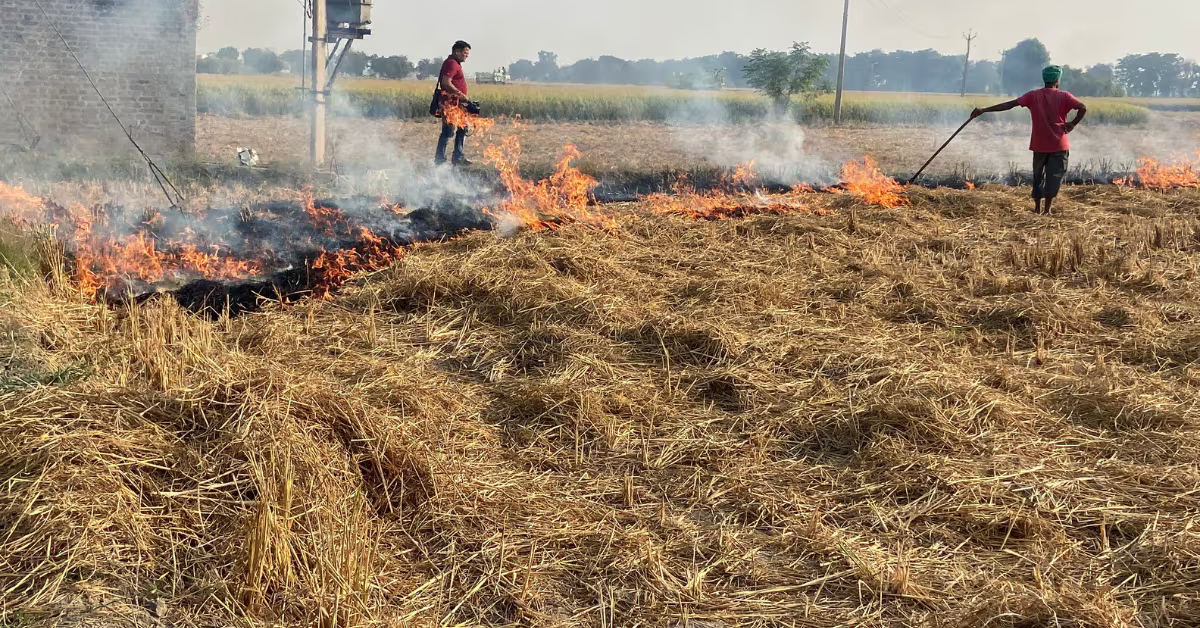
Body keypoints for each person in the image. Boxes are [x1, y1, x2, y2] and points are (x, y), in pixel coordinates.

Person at [971, 65, 1087, 215]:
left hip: (1039, 144)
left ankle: (1037, 208)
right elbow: (1082, 108)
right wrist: (1072, 124)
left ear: (1044, 79)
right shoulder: (1064, 96)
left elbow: (1009, 105)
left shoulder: (1033, 95)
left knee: (1038, 177)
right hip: (1059, 144)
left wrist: (984, 110)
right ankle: (1047, 210)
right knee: (1054, 177)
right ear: (1057, 80)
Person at [435, 40, 472, 166]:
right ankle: (440, 159)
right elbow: (446, 82)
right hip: (450, 104)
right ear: (457, 51)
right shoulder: (452, 63)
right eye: (465, 53)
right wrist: (461, 95)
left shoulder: (454, 63)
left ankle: (458, 157)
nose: (467, 56)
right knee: (449, 131)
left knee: (463, 127)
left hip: (456, 104)